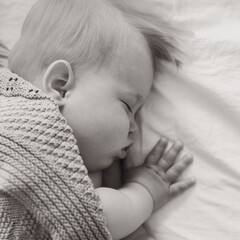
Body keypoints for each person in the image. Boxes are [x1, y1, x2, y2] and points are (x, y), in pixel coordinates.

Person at [0, 0, 195, 239]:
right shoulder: (27, 129)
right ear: (60, 86)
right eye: (127, 107)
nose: (134, 128)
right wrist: (144, 192)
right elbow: (90, 218)